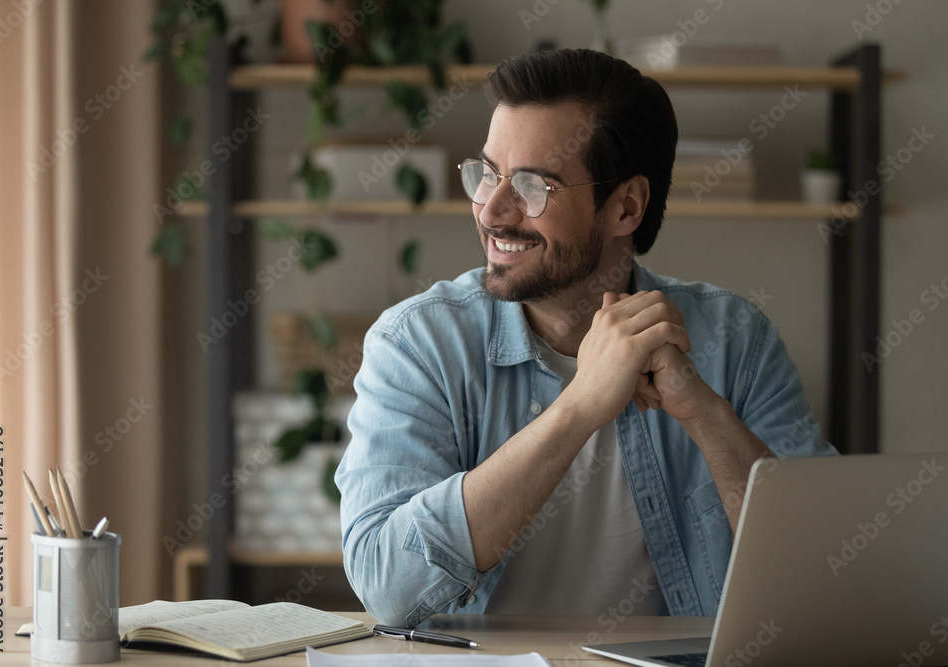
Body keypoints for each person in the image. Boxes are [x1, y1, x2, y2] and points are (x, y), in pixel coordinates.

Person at [335, 48, 836, 627]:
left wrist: (702, 413)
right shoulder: (418, 344)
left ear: (625, 206)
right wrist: (578, 408)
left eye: (532, 185)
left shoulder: (735, 339)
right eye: (488, 174)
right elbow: (387, 589)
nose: (492, 210)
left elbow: (820, 578)